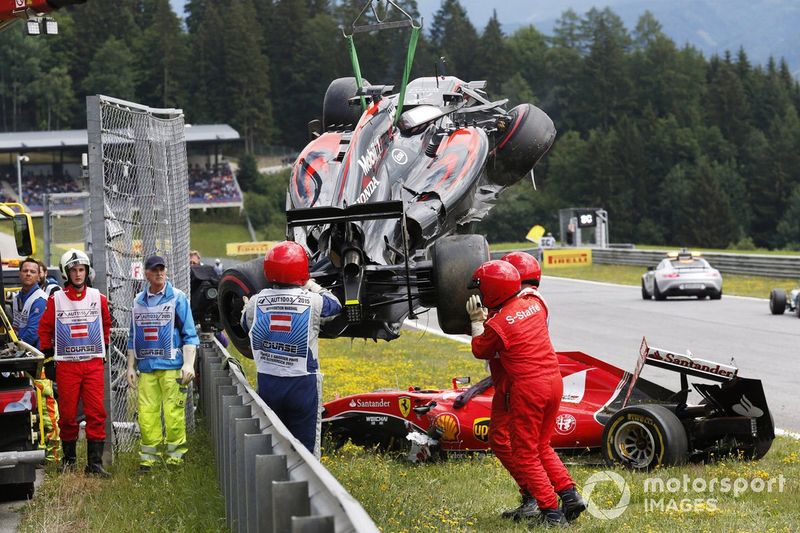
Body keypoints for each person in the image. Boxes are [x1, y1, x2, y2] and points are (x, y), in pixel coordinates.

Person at [467, 260, 582, 526]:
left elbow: (480, 350)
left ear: (493, 292)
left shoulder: (498, 325)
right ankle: (570, 494)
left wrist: (476, 322)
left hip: (528, 387)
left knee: (525, 452)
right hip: (554, 381)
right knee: (541, 445)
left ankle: (551, 513)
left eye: (482, 290)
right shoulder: (534, 302)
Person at [240, 241, 341, 457]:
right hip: (302, 383)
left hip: (269, 381)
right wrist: (311, 284)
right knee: (306, 449)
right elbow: (336, 306)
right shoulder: (313, 301)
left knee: (273, 442)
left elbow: (242, 323)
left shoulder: (255, 302)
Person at [38, 249, 112, 477]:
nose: (78, 275)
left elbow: (106, 324)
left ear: (87, 272)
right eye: (73, 270)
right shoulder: (56, 299)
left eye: (81, 270)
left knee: (96, 412)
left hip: (92, 364)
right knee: (68, 414)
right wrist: (49, 359)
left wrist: (105, 347)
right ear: (66, 273)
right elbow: (45, 329)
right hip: (67, 366)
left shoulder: (98, 297)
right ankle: (69, 462)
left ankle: (95, 464)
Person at [126, 255, 199, 471]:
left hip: (173, 367)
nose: (159, 273)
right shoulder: (138, 302)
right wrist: (130, 366)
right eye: (154, 270)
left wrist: (188, 364)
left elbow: (189, 333)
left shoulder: (177, 298)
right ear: (147, 274)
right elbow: (133, 335)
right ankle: (149, 459)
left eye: (162, 269)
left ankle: (175, 458)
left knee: (173, 414)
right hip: (147, 368)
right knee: (147, 414)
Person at [13, 257, 60, 463]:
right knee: (31, 408)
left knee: (47, 407)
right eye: (25, 271)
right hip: (24, 359)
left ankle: (54, 455)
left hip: (39, 361)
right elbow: (15, 327)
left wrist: (14, 345)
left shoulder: (40, 299)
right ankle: (38, 449)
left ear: (39, 274)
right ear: (20, 273)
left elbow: (32, 333)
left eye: (33, 271)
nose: (29, 274)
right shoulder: (17, 298)